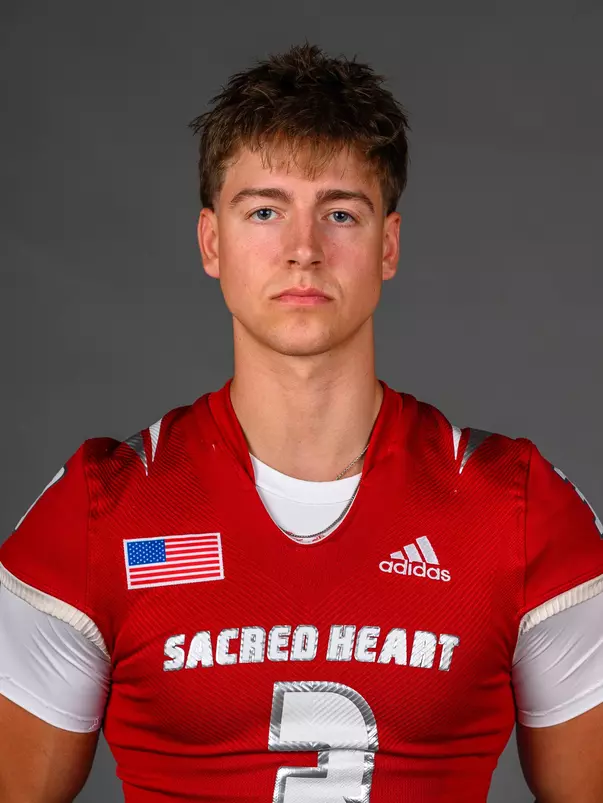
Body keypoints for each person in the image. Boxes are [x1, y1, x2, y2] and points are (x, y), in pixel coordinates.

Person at [1, 42, 602, 803]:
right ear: (210, 241)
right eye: (264, 210)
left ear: (387, 244)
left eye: (340, 212)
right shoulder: (101, 508)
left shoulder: (515, 507)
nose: (303, 251)